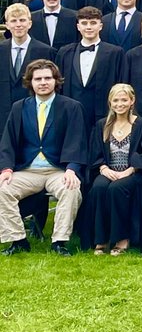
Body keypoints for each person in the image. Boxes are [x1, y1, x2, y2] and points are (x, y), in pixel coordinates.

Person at [0, 59, 87, 255]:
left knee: (71, 189)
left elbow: (78, 140)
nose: (43, 82)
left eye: (48, 78)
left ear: (56, 81)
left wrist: (72, 168)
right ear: (30, 82)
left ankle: (59, 242)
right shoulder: (19, 107)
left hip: (58, 170)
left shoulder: (71, 107)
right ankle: (18, 241)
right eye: (38, 79)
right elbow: (8, 142)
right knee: (2, 189)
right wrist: (6, 169)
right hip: (28, 170)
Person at [84, 83, 142, 255]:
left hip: (132, 173)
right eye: (115, 100)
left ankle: (122, 239)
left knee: (116, 189)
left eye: (124, 100)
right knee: (98, 187)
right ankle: (101, 239)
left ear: (132, 101)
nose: (119, 104)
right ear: (110, 102)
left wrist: (129, 171)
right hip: (108, 170)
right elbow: (95, 152)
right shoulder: (102, 125)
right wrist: (103, 167)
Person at [57, 6, 127, 127]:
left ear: (101, 26)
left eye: (93, 23)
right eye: (84, 23)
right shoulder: (64, 53)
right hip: (71, 116)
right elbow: (58, 85)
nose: (88, 27)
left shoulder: (115, 53)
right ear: (78, 27)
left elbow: (121, 84)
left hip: (104, 115)